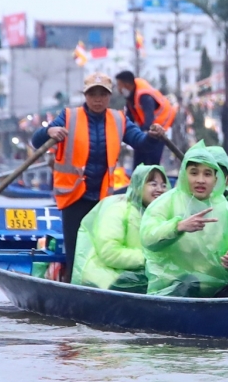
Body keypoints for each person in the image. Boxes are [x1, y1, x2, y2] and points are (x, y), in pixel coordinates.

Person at [32, 72, 160, 283]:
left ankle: (96, 287)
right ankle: (74, 289)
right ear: (86, 95)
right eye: (93, 94)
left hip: (102, 198)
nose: (98, 99)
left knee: (99, 249)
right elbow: (37, 141)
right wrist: (49, 130)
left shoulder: (119, 119)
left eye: (103, 94)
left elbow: (140, 141)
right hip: (72, 195)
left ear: (109, 97)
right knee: (76, 249)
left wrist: (153, 137)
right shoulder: (68, 116)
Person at [139, 142, 228, 297]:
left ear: (216, 180)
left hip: (218, 289)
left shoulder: (227, 209)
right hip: (173, 288)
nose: (200, 180)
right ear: (183, 175)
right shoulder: (165, 202)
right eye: (194, 173)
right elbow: (147, 238)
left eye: (207, 174)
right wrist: (178, 227)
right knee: (187, 285)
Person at [73, 164, 167, 292]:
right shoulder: (119, 210)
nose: (160, 189)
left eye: (163, 185)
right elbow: (109, 253)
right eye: (153, 184)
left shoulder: (162, 216)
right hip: (107, 277)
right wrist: (147, 260)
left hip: (140, 273)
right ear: (138, 186)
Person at [114, 71, 174, 167]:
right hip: (148, 129)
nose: (118, 89)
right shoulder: (132, 95)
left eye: (119, 85)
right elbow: (129, 118)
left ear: (127, 85)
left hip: (159, 128)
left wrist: (143, 132)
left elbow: (148, 119)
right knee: (140, 158)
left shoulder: (144, 96)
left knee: (152, 162)